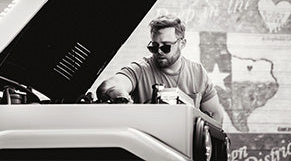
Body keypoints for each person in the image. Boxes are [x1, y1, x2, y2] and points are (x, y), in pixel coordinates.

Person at [96, 14, 224, 124]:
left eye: (166, 47)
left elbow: (215, 115)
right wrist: (120, 96)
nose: (159, 52)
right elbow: (109, 85)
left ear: (182, 44)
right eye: (154, 46)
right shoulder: (139, 70)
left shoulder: (198, 73)